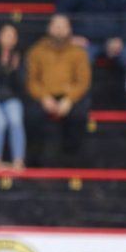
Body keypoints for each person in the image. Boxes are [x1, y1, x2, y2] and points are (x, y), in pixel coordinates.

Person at [25, 13, 92, 167]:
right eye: (56, 26)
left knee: (79, 115)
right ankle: (34, 160)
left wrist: (69, 99)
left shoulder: (78, 52)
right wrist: (43, 97)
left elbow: (83, 82)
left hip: (69, 97)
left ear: (70, 29)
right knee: (31, 115)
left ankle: (71, 160)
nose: (60, 30)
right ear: (49, 28)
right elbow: (32, 81)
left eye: (63, 26)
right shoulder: (36, 51)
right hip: (44, 96)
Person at [0, 23, 27, 170]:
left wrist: (15, 69)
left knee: (15, 120)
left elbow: (22, 86)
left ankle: (18, 160)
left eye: (12, 36)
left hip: (11, 98)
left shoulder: (20, 58)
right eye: (5, 35)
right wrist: (2, 66)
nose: (8, 39)